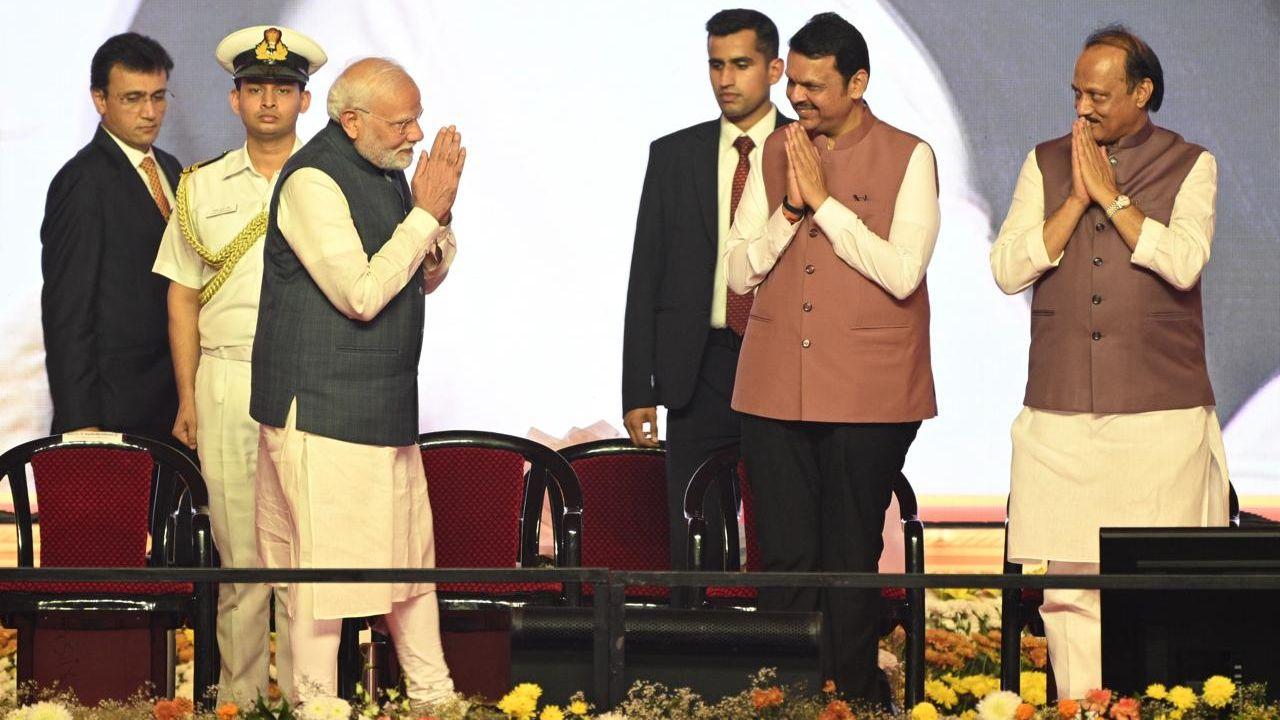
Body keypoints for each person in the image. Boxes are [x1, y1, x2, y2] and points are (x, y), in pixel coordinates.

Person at [990, 25, 1228, 699]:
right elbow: (1008, 269)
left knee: (1159, 590)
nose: (1083, 109)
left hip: (1161, 420)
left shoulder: (1192, 164)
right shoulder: (1044, 162)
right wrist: (1074, 200)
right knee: (1068, 595)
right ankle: (1080, 712)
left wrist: (1116, 202)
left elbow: (1183, 262)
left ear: (1142, 91)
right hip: (1061, 419)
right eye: (1076, 94)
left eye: (1098, 95)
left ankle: (1160, 710)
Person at [723, 12, 940, 702]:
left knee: (850, 551)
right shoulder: (773, 154)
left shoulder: (911, 155)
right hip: (772, 387)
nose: (800, 98)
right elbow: (737, 274)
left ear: (858, 82)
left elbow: (903, 272)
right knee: (786, 555)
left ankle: (851, 699)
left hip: (871, 391)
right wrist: (790, 213)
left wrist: (828, 206)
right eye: (796, 83)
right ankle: (780, 699)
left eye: (816, 86)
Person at [250, 57, 464, 708]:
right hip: (325, 411)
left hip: (383, 407)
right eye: (403, 122)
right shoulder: (313, 181)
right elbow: (363, 295)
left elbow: (416, 275)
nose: (417, 134)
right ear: (351, 121)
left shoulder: (384, 169)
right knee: (325, 583)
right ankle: (315, 707)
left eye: (418, 117)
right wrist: (424, 214)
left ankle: (435, 699)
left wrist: (437, 220)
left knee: (410, 569)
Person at [152, 25, 326, 704]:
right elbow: (181, 295)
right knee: (242, 562)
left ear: (304, 102)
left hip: (313, 381)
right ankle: (240, 704)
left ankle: (319, 703)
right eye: (255, 88)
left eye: (282, 89)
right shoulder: (202, 186)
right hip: (225, 376)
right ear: (234, 100)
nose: (268, 102)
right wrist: (187, 397)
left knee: (311, 559)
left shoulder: (332, 181)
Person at [621, 9, 789, 595]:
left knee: (782, 527)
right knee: (692, 537)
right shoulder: (673, 155)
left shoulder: (807, 149)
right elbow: (647, 275)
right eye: (716, 65)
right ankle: (695, 665)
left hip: (782, 361)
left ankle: (780, 663)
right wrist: (637, 388)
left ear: (774, 68)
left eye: (740, 64)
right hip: (698, 366)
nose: (726, 79)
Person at [41, 32, 181, 438]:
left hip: (171, 405)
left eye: (158, 96)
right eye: (132, 98)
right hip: (111, 412)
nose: (150, 112)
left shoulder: (172, 168)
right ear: (100, 100)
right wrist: (80, 423)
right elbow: (67, 313)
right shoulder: (82, 181)